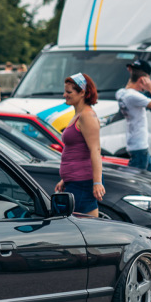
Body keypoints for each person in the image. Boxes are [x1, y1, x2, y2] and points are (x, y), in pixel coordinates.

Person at [54, 73, 106, 218]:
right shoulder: (78, 114)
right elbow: (76, 150)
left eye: (69, 92)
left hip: (83, 182)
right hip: (75, 181)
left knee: (83, 225)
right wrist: (65, 179)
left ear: (82, 92)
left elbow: (95, 150)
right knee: (83, 224)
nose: (64, 95)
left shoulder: (87, 116)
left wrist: (97, 182)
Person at [115, 60, 151, 172]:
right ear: (142, 80)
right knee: (135, 180)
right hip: (139, 147)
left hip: (138, 146)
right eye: (148, 80)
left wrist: (132, 73)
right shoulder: (134, 97)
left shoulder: (120, 93)